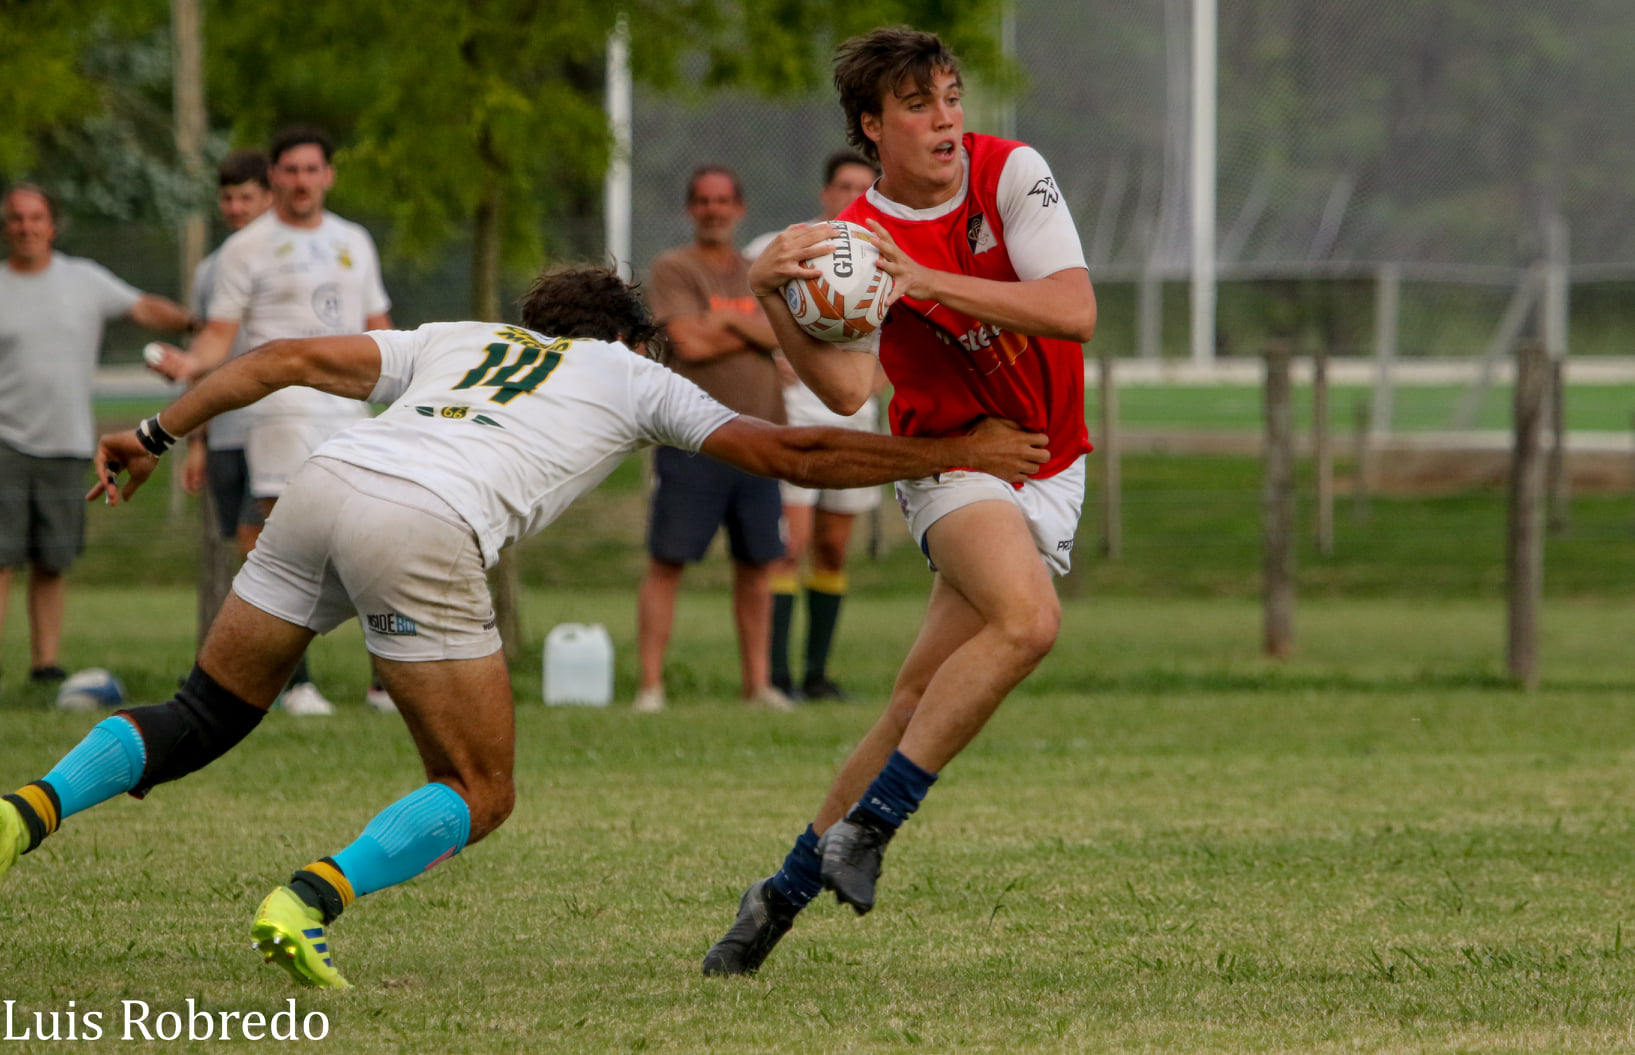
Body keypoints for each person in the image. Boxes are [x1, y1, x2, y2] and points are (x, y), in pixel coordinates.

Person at [0, 264, 1050, 990]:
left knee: (204, 710)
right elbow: (797, 454)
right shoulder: (635, 375)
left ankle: (22, 812)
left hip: (327, 484)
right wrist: (956, 453)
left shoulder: (461, 340)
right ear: (631, 337)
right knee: (481, 788)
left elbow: (280, 360)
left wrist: (150, 432)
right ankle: (305, 900)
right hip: (421, 523)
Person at [703, 27, 1097, 976]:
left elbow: (1073, 309)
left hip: (1053, 461)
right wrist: (769, 301)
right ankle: (872, 826)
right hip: (955, 467)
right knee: (1028, 621)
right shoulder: (855, 248)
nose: (946, 118)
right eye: (918, 105)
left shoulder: (1011, 173)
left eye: (952, 96)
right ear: (872, 128)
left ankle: (777, 897)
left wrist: (926, 278)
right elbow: (845, 392)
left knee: (913, 700)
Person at [152, 126, 394, 716]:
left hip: (348, 411)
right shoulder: (246, 249)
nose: (301, 181)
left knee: (373, 540)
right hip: (279, 417)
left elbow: (379, 325)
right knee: (276, 549)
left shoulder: (354, 240)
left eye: (312, 170)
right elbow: (218, 336)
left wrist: (407, 391)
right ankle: (296, 683)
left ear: (328, 176)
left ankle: (386, 683)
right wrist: (191, 364)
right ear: (275, 179)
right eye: (290, 171)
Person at [0, 183, 197, 685]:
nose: (26, 227)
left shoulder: (82, 280)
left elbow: (142, 307)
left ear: (52, 225)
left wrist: (197, 324)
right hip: (5, 442)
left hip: (67, 442)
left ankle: (45, 665)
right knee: (1, 561)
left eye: (35, 218)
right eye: (16, 218)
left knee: (53, 560)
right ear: (6, 226)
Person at [633, 166, 789, 714]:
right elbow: (688, 344)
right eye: (702, 201)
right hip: (692, 439)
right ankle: (651, 687)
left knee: (757, 567)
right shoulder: (674, 267)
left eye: (723, 200)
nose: (714, 210)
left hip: (763, 438)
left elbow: (784, 333)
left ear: (740, 208)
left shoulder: (760, 270)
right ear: (690, 210)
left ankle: (758, 685)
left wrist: (723, 321)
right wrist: (750, 328)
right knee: (667, 562)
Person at [745, 150, 882, 702]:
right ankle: (776, 675)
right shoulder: (780, 246)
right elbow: (745, 311)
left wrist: (873, 381)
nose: (851, 194)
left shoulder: (883, 252)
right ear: (825, 193)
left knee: (832, 546)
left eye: (863, 186)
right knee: (790, 544)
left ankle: (816, 674)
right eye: (843, 185)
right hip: (795, 415)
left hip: (853, 420)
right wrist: (777, 354)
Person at [176, 150, 275, 558]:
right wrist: (198, 441)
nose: (235, 208)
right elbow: (203, 355)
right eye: (227, 198)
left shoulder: (291, 259)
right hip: (225, 435)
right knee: (245, 547)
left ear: (269, 197)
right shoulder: (209, 271)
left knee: (266, 540)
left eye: (246, 197)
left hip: (277, 427)